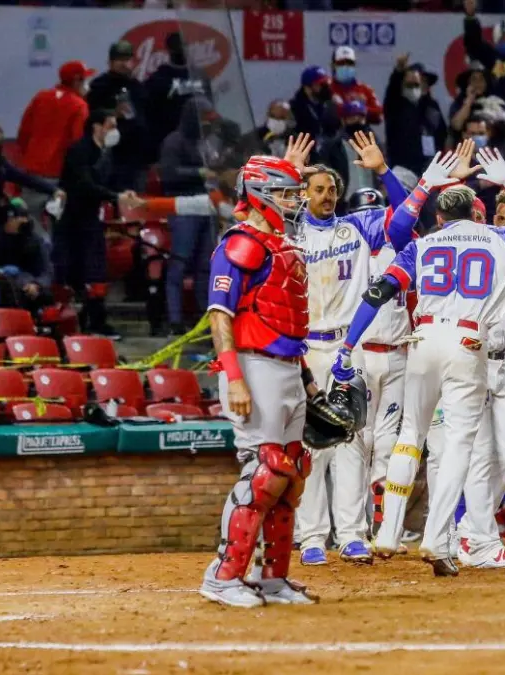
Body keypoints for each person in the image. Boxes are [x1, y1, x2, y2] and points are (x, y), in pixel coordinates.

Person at [328, 184, 505, 576]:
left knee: (409, 436)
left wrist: (347, 345)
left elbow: (377, 293)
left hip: (422, 339)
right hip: (468, 342)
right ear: (476, 212)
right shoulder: (498, 238)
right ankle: (437, 538)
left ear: (438, 216)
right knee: (457, 447)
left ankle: (388, 531)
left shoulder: (422, 245)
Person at [199, 152, 317, 609]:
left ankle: (273, 578)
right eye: (286, 193)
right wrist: (234, 379)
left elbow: (290, 324)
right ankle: (225, 575)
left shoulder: (283, 245)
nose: (293, 202)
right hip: (253, 366)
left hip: (288, 367)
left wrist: (307, 380)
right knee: (263, 472)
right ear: (262, 194)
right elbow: (219, 316)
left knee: (291, 473)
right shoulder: (239, 245)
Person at [294, 132, 416, 568]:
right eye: (318, 190)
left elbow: (405, 217)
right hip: (306, 348)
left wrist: (382, 171)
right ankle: (310, 536)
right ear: (302, 194)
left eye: (331, 190)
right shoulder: (292, 231)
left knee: (349, 441)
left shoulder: (357, 227)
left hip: (349, 346)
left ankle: (351, 534)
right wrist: (289, 172)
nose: (327, 196)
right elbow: (260, 211)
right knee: (311, 445)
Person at [57, 109, 141, 337]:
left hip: (92, 218)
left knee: (96, 272)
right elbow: (85, 185)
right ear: (96, 127)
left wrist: (123, 192)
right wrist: (115, 197)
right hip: (72, 221)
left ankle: (97, 322)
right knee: (80, 272)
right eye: (111, 126)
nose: (115, 131)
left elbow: (110, 183)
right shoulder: (79, 151)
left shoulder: (106, 153)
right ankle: (81, 323)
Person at [159, 97, 221, 336]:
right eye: (204, 120)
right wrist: (199, 172)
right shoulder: (173, 142)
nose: (207, 125)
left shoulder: (205, 142)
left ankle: (204, 319)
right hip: (184, 207)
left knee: (206, 266)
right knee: (179, 263)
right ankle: (175, 319)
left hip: (206, 206)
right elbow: (168, 173)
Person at [17, 60, 94, 195]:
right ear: (77, 81)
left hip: (31, 171)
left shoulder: (40, 97)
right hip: (57, 174)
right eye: (85, 79)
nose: (87, 85)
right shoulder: (79, 105)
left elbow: (23, 133)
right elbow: (78, 144)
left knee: (29, 215)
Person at [86, 41, 149, 192]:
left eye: (127, 59)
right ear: (110, 62)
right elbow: (89, 117)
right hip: (110, 155)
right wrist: (114, 112)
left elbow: (145, 117)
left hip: (136, 155)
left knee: (136, 202)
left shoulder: (137, 86)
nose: (124, 64)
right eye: (119, 60)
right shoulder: (99, 86)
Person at [145, 32, 211, 154]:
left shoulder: (200, 76)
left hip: (198, 142)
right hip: (168, 143)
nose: (182, 50)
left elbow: (209, 106)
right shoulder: (158, 78)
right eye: (177, 47)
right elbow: (150, 116)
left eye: (184, 46)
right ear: (169, 50)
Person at [385, 54, 448, 178]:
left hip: (428, 167)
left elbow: (441, 134)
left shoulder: (432, 106)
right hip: (401, 167)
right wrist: (398, 71)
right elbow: (392, 89)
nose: (414, 89)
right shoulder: (395, 105)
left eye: (417, 85)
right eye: (409, 85)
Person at [329, 46, 383, 126]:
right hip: (334, 135)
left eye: (350, 63)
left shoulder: (365, 89)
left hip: (360, 135)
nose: (346, 66)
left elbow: (379, 115)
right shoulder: (327, 89)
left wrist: (360, 109)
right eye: (341, 63)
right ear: (333, 65)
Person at [291, 66, 332, 140]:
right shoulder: (295, 108)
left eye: (325, 84)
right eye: (321, 85)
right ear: (307, 87)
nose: (325, 88)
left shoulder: (327, 105)